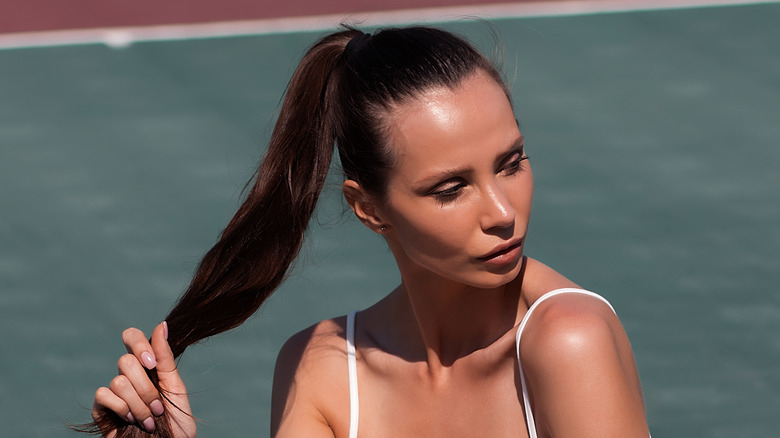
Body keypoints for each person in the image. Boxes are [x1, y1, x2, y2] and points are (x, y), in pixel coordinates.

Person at [84, 25, 650, 437]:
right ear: (368, 207)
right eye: (450, 188)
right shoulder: (321, 369)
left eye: (511, 162)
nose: (502, 210)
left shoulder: (567, 341)